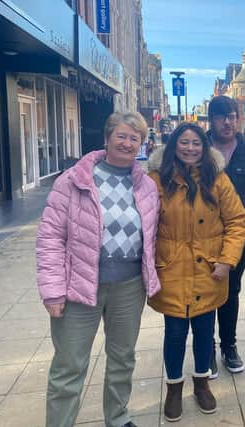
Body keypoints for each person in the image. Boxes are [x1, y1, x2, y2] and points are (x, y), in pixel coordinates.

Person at [37, 112, 161, 427]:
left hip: (129, 287)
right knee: (69, 366)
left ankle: (118, 417)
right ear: (106, 138)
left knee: (122, 359)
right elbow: (50, 236)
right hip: (79, 287)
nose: (127, 143)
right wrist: (52, 290)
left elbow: (152, 236)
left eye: (135, 138)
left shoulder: (146, 186)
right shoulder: (74, 179)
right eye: (122, 135)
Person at [147, 123, 245, 422]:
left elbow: (237, 222)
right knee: (175, 334)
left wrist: (227, 260)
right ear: (173, 145)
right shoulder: (156, 181)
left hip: (210, 270)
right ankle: (174, 389)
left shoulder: (217, 180)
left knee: (205, 332)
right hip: (172, 270)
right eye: (184, 142)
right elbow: (144, 227)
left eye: (196, 143)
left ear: (205, 147)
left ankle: (202, 384)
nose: (190, 148)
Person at [206, 95, 245, 374]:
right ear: (212, 120)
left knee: (231, 292)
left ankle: (229, 346)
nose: (228, 122)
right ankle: (206, 347)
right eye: (222, 116)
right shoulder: (199, 147)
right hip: (202, 238)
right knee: (205, 293)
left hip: (239, 239)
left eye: (232, 116)